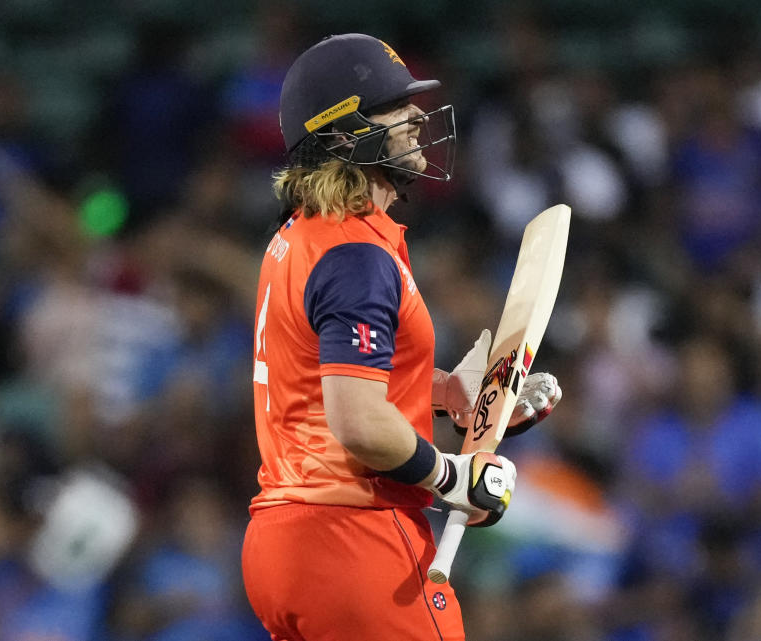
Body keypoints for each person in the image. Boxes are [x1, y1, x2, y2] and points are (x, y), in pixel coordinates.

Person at [240, 33, 562, 641]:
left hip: (282, 545)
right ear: (341, 136)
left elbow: (320, 377)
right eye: (392, 108)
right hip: (354, 541)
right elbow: (358, 421)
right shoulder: (357, 255)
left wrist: (445, 393)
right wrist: (450, 477)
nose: (416, 119)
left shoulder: (306, 236)